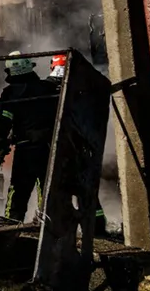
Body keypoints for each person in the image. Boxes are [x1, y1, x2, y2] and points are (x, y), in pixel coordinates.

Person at [44, 53, 108, 236]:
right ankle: (96, 229)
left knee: (59, 191)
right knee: (85, 192)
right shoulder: (83, 91)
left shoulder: (49, 90)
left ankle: (59, 230)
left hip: (61, 152)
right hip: (80, 150)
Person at [0, 51, 60, 224]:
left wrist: (0, 141)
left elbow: (2, 121)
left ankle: (10, 228)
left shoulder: (10, 93)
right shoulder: (48, 88)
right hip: (48, 149)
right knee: (46, 191)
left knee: (18, 193)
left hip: (26, 150)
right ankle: (46, 229)